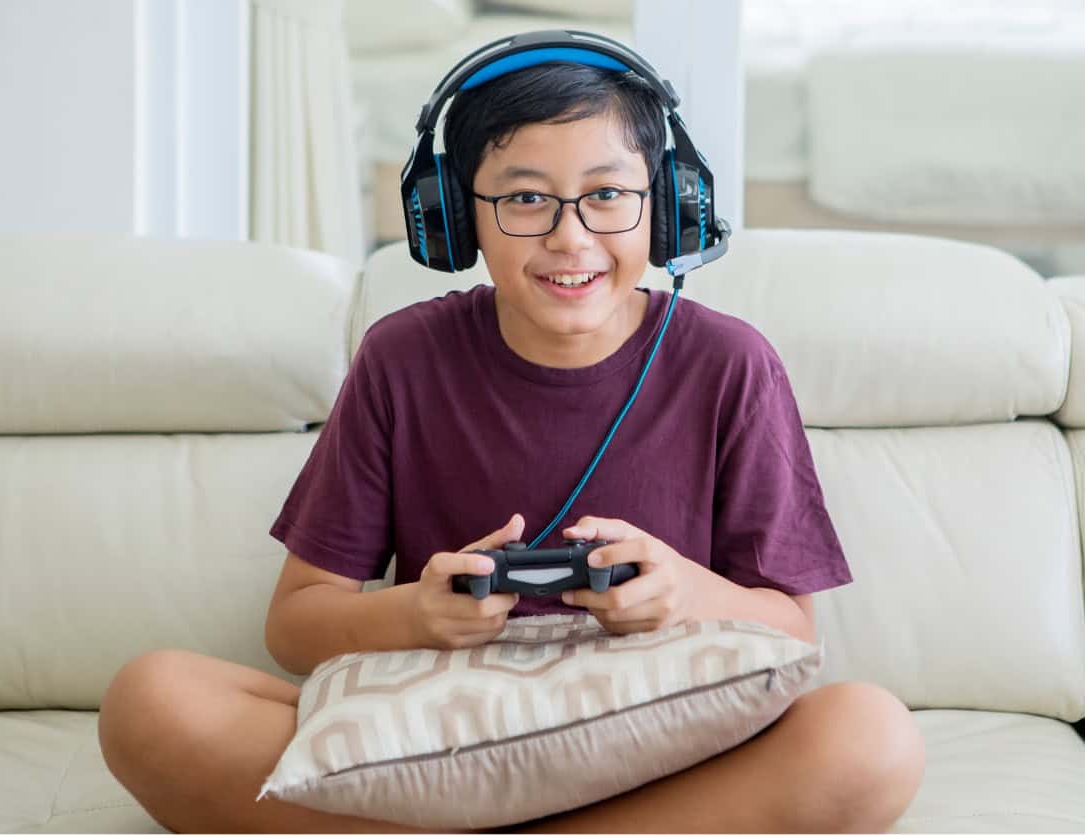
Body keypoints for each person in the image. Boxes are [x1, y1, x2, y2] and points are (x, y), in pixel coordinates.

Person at [98, 34, 925, 833]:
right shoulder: (403, 356)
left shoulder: (729, 363)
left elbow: (793, 630)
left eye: (607, 194)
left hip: (659, 742)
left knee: (870, 739)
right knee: (152, 699)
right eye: (525, 197)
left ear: (667, 204)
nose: (571, 236)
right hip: (432, 739)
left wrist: (684, 592)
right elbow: (295, 625)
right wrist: (417, 613)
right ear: (458, 219)